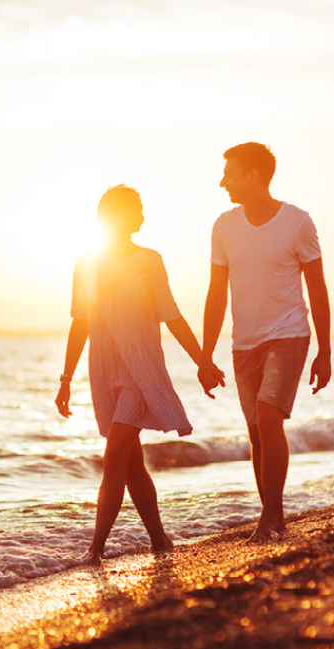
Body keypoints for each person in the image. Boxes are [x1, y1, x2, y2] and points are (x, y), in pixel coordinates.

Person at [55, 185, 224, 564]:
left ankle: (94, 550)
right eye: (136, 210)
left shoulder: (150, 260)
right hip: (103, 370)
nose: (143, 217)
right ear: (114, 217)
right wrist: (66, 380)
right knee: (132, 463)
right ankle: (159, 540)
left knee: (114, 454)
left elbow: (172, 315)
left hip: (140, 370)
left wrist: (202, 360)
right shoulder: (86, 263)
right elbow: (79, 323)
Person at [198, 142, 332, 542]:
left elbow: (318, 288)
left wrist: (324, 351)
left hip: (289, 333)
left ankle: (269, 518)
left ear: (254, 175)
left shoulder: (297, 222)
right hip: (245, 343)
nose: (223, 182)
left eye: (230, 173)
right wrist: (205, 356)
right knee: (256, 431)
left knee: (270, 417)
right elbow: (216, 294)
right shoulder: (223, 226)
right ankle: (273, 515)